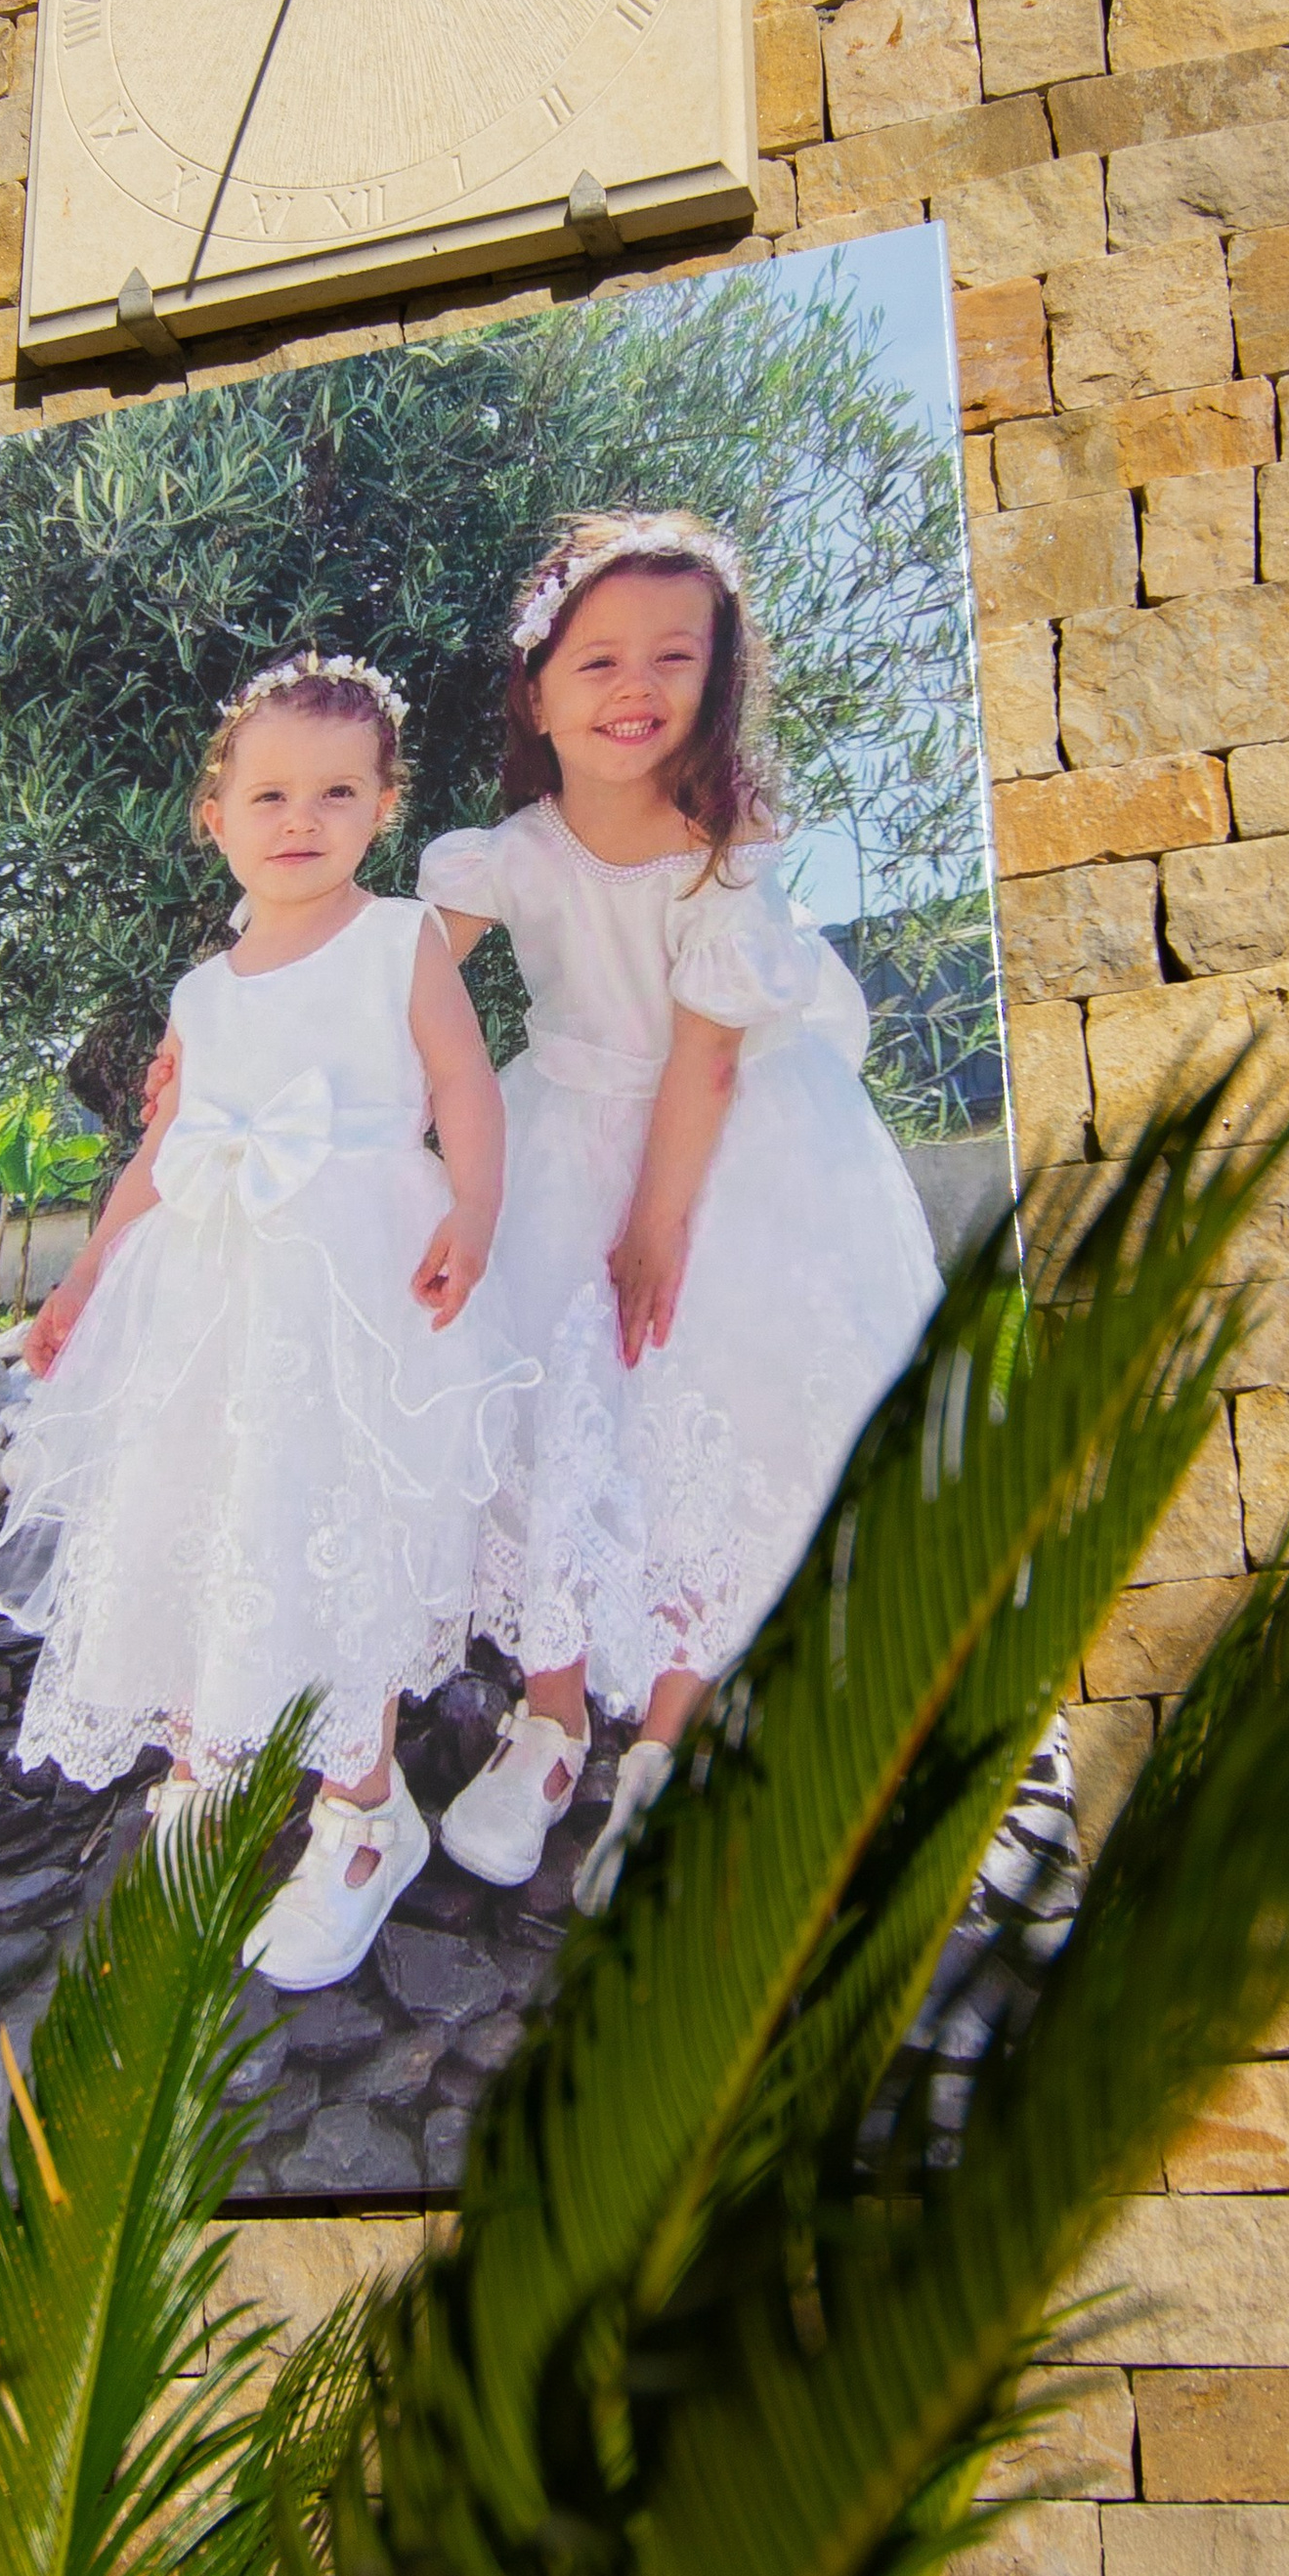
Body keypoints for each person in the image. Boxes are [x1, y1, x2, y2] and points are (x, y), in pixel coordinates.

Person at [0, 653, 532, 1990]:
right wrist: (85, 1277)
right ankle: (207, 1763)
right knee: (204, 1509)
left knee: (338, 1518)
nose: (302, 817)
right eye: (270, 792)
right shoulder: (204, 993)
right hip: (211, 1297)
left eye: (337, 791)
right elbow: (163, 1156)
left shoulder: (399, 940)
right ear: (213, 815)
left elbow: (465, 1087)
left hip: (353, 1279)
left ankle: (361, 1811)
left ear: (384, 807)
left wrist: (477, 1212)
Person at [417, 511, 944, 1912]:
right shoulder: (505, 852)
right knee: (545, 1407)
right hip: (559, 1126)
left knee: (699, 1406)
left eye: (674, 654)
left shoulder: (727, 848)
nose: (633, 684)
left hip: (720, 1146)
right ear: (535, 691)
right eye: (596, 660)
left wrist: (656, 1233)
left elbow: (704, 1056)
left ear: (717, 677)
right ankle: (549, 1716)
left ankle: (668, 1729)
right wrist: (257, 1018)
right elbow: (395, 986)